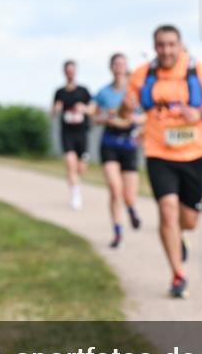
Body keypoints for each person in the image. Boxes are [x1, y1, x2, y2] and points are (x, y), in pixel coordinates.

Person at [122, 25, 202, 298]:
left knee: (189, 221)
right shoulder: (142, 74)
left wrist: (200, 113)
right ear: (154, 47)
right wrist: (125, 106)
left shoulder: (199, 70)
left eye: (171, 44)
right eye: (161, 45)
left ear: (180, 46)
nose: (166, 50)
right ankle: (178, 274)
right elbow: (126, 111)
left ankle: (179, 235)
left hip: (196, 153)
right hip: (159, 153)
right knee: (167, 209)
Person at [94, 52, 145, 248]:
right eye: (116, 64)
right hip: (109, 143)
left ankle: (131, 210)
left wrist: (134, 119)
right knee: (115, 190)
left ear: (126, 67)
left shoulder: (135, 91)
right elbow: (95, 116)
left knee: (129, 196)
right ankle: (117, 232)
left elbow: (147, 115)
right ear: (111, 67)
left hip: (129, 145)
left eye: (122, 64)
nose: (119, 67)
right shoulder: (103, 92)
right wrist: (105, 118)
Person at [53, 60, 93, 210]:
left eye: (72, 70)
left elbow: (92, 109)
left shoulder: (83, 91)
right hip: (67, 132)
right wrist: (56, 109)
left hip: (82, 132)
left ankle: (76, 182)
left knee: (80, 168)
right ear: (64, 72)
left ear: (75, 71)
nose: (70, 73)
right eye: (68, 70)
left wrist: (84, 108)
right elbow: (53, 112)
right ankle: (75, 195)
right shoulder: (60, 92)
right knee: (70, 164)